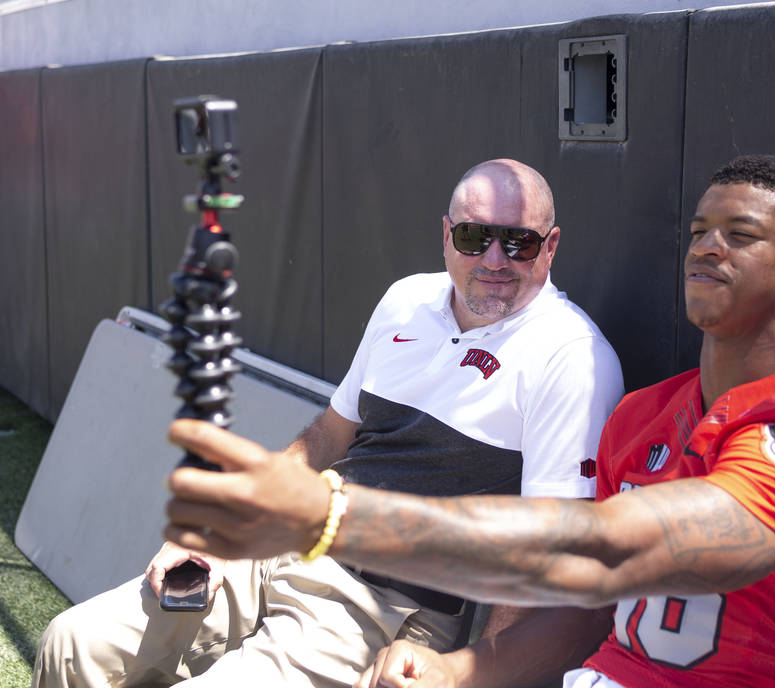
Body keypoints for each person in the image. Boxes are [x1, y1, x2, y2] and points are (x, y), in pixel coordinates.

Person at [161, 154, 775, 687]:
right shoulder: (648, 415)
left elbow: (608, 553)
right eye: (699, 230)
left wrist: (331, 517)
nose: (707, 247)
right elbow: (589, 611)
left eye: (740, 235)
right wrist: (459, 670)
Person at [33, 158, 625, 687]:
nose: (494, 260)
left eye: (517, 242)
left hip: (379, 603)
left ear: (549, 247)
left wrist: (472, 672)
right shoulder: (406, 301)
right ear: (447, 237)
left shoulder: (570, 358)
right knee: (71, 643)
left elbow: (545, 557)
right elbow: (325, 437)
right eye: (475, 237)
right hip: (287, 540)